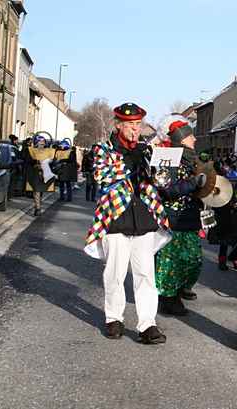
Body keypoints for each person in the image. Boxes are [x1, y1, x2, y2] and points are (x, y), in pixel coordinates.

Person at [84, 102, 171, 345]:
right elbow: (101, 175)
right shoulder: (104, 149)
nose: (135, 129)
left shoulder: (145, 150)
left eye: (138, 124)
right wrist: (128, 163)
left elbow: (159, 180)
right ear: (119, 125)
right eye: (130, 125)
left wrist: (159, 171)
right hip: (116, 219)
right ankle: (113, 318)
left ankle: (147, 324)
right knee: (115, 273)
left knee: (145, 275)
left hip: (143, 218)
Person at [153, 115, 207, 315]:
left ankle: (182, 286)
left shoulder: (194, 159)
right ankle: (168, 298)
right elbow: (166, 189)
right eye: (191, 136)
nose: (195, 139)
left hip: (191, 217)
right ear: (183, 139)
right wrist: (194, 184)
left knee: (194, 260)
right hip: (173, 218)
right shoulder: (167, 159)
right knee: (170, 261)